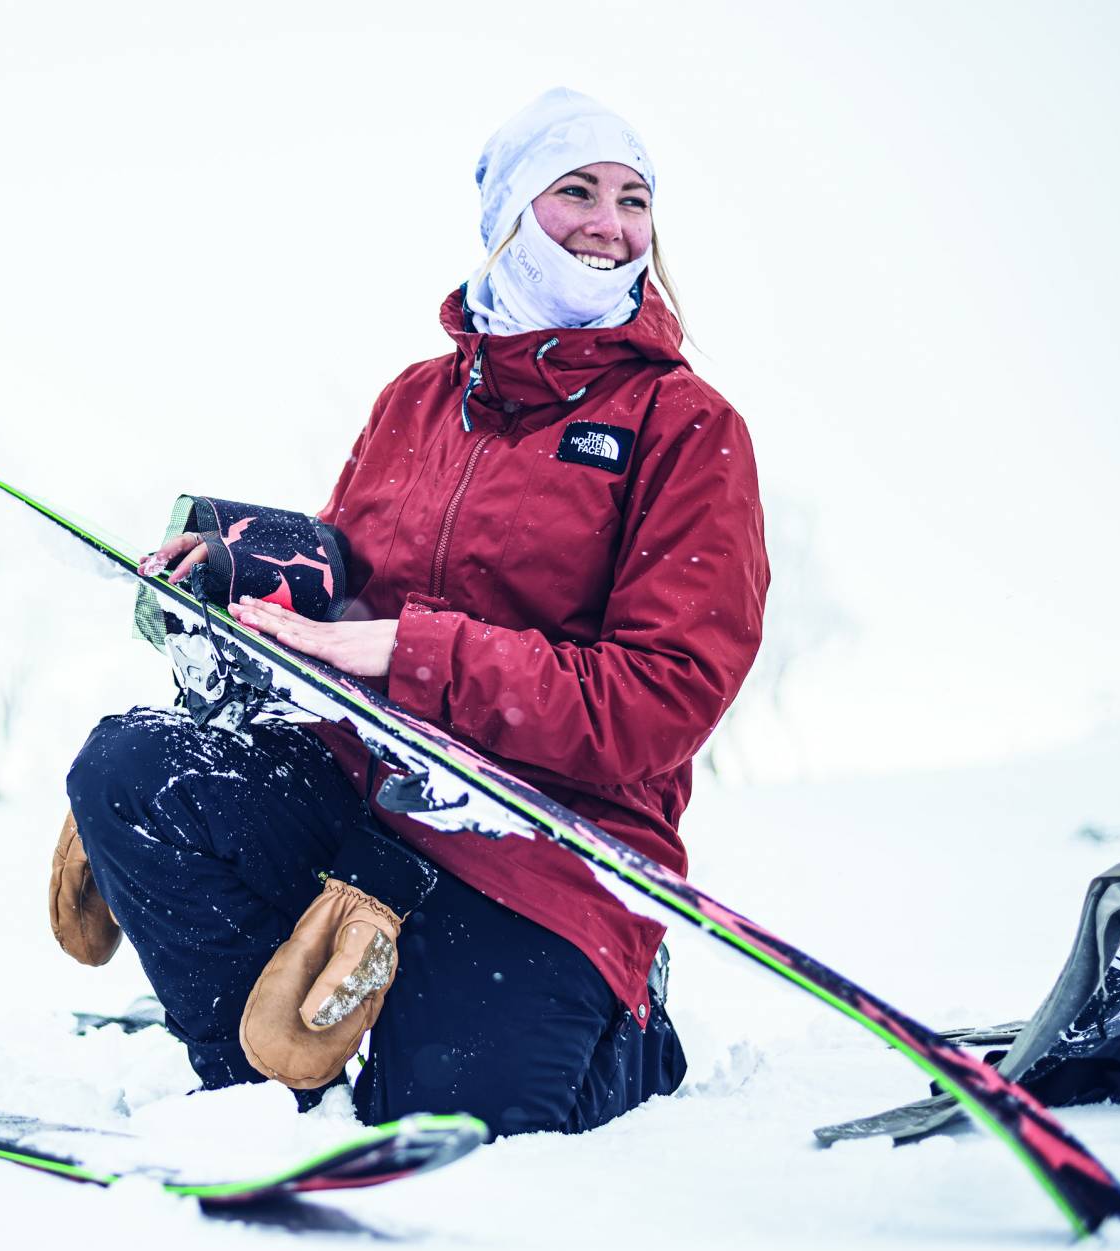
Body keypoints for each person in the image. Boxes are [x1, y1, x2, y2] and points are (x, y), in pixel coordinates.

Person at [54, 87, 769, 1138]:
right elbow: (352, 569)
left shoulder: (683, 426)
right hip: (366, 795)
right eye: (575, 191)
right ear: (509, 216)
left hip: (545, 850)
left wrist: (409, 649)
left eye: (632, 200)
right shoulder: (416, 401)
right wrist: (241, 560)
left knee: (456, 1128)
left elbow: (658, 699)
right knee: (133, 769)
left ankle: (625, 1027)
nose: (608, 225)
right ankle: (264, 1096)